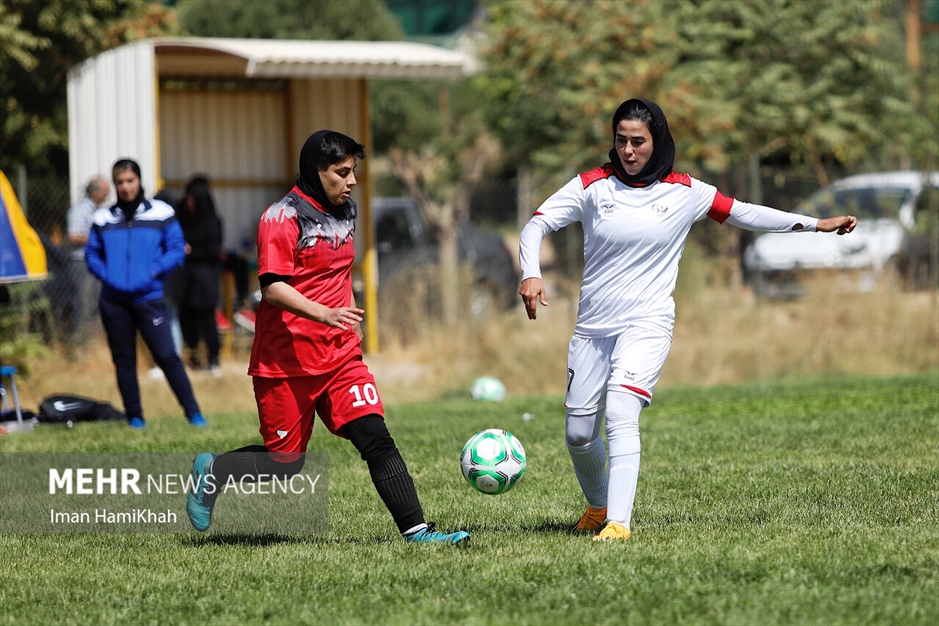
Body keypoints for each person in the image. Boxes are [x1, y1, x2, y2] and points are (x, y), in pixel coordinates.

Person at [517, 98, 857, 542]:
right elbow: (536, 225)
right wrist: (530, 272)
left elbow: (745, 213)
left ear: (657, 141)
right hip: (593, 329)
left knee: (621, 410)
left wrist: (815, 224)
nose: (628, 150)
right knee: (579, 433)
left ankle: (619, 523)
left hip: (648, 323)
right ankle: (599, 506)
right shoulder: (591, 186)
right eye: (620, 141)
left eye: (638, 141)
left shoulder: (685, 191)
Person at [186, 130, 469, 544]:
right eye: (342, 172)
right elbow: (273, 287)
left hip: (339, 356)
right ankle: (215, 472)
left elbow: (336, 273)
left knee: (375, 436)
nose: (351, 181)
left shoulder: (346, 211)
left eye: (353, 171)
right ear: (315, 171)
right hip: (286, 361)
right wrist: (325, 313)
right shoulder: (280, 218)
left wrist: (347, 316)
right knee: (286, 463)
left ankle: (419, 533)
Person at [85, 158, 209, 429]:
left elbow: (176, 248)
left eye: (130, 180)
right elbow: (91, 254)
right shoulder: (103, 218)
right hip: (114, 301)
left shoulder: (161, 213)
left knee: (167, 356)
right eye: (120, 182)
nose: (126, 187)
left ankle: (194, 414)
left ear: (139, 181)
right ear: (115, 184)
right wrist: (109, 275)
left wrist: (154, 272)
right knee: (124, 360)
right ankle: (135, 417)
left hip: (149, 297)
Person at [176, 178, 223, 374]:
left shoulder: (212, 222)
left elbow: (213, 251)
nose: (189, 204)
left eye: (193, 200)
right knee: (186, 319)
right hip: (187, 279)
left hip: (205, 279)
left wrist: (190, 251)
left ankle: (213, 360)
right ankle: (194, 359)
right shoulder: (185, 220)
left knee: (207, 320)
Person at [66, 176, 110, 341]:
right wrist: (99, 239)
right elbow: (73, 236)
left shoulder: (97, 211)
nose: (108, 194)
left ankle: (92, 345)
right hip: (81, 263)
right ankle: (78, 344)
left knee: (95, 306)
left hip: (95, 263)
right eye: (105, 190)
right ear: (95, 191)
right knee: (84, 305)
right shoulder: (80, 210)